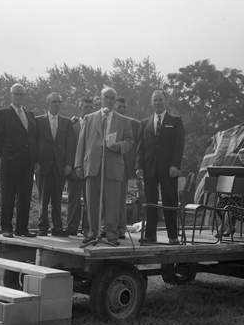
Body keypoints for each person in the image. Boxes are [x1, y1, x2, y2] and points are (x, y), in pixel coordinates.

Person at [75, 86, 133, 246]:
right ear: (100, 99)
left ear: (115, 100)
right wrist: (78, 165)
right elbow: (82, 143)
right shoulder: (89, 118)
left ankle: (111, 234)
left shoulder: (124, 120)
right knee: (92, 202)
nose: (108, 100)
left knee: (112, 203)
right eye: (105, 97)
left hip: (113, 166)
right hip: (92, 165)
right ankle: (92, 233)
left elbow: (129, 141)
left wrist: (119, 146)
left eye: (111, 98)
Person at [136, 90, 185, 245]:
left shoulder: (175, 120)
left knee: (170, 201)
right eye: (154, 100)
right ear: (151, 102)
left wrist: (175, 165)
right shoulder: (145, 123)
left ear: (165, 101)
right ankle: (150, 235)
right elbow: (141, 147)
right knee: (150, 202)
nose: (157, 102)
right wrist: (139, 166)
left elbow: (179, 145)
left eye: (160, 100)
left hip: (169, 169)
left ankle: (173, 236)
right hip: (150, 168)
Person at [0, 83, 38, 238]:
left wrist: (35, 159)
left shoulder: (30, 114)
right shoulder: (2, 113)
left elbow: (33, 138)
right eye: (16, 94)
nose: (19, 97)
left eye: (21, 94)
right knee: (8, 195)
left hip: (28, 162)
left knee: (25, 196)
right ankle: (6, 228)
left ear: (25, 96)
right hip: (10, 161)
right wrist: (7, 156)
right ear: (11, 95)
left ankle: (22, 228)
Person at [34, 93, 75, 237]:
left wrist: (69, 163)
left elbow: (70, 145)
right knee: (43, 199)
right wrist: (36, 161)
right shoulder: (38, 121)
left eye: (59, 101)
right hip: (43, 166)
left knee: (57, 199)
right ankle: (43, 227)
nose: (56, 104)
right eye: (53, 102)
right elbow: (34, 143)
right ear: (47, 103)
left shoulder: (66, 122)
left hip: (60, 165)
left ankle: (57, 227)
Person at [114, 97, 141, 240]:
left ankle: (120, 229)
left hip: (125, 167)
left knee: (121, 199)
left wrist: (137, 166)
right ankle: (107, 227)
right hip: (109, 166)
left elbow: (140, 147)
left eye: (124, 107)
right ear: (114, 107)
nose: (122, 109)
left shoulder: (135, 124)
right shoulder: (107, 121)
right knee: (108, 199)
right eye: (119, 107)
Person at [66, 98, 93, 236]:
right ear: (80, 108)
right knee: (73, 200)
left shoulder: (96, 124)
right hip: (74, 169)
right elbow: (69, 147)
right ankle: (72, 228)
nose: (88, 109)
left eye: (91, 107)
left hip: (90, 169)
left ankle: (88, 229)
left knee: (90, 200)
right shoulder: (72, 124)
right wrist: (70, 165)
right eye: (86, 107)